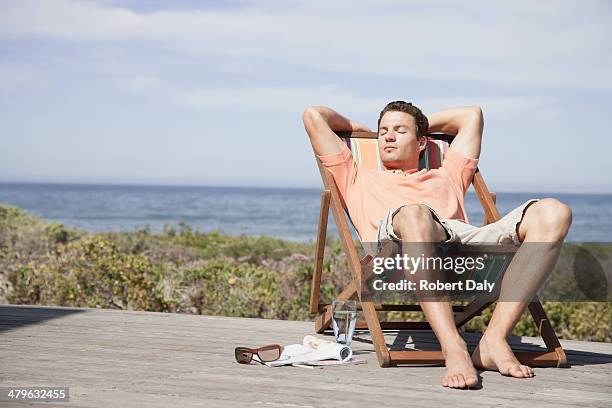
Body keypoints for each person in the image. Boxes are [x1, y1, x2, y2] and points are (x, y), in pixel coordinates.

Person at [302, 101, 572, 389]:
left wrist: (418, 124)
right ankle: (453, 347)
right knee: (414, 212)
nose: (388, 136)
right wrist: (358, 130)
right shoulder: (355, 174)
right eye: (383, 132)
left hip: (463, 244)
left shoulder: (448, 172)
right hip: (398, 246)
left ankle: (493, 340)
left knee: (555, 212)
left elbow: (471, 116)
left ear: (422, 142)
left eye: (399, 131)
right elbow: (313, 116)